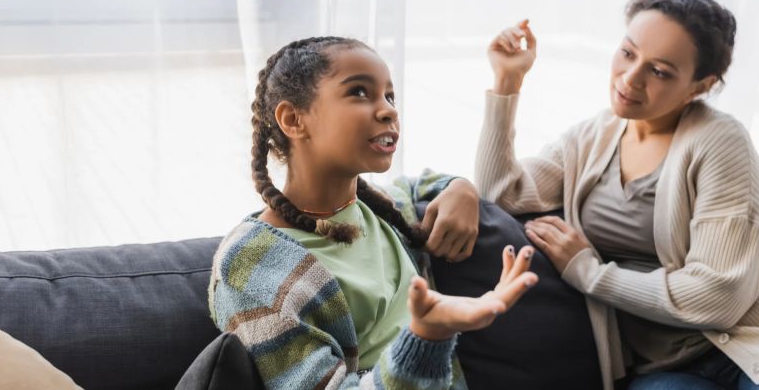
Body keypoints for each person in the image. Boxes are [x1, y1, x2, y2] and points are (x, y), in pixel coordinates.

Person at [476, 0, 759, 390]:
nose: (631, 77)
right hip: (665, 368)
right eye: (627, 52)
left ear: (699, 86)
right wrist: (507, 81)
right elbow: (501, 194)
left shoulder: (720, 141)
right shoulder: (590, 139)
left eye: (659, 71)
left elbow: (717, 297)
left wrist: (588, 272)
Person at [208, 36, 539, 389]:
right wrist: (425, 335)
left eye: (390, 96)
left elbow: (419, 186)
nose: (389, 111)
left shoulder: (382, 210)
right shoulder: (249, 266)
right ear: (293, 119)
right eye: (359, 92)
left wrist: (462, 188)